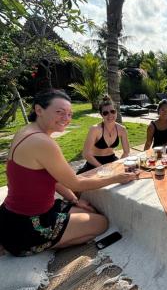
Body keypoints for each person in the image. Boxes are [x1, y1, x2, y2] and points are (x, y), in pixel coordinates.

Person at [0, 89, 138, 257]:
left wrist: (74, 199)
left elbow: (53, 178)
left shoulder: (26, 132)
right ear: (39, 110)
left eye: (69, 114)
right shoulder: (42, 142)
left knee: (90, 212)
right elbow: (75, 183)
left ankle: (45, 238)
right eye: (60, 112)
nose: (66, 118)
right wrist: (116, 178)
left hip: (12, 215)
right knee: (101, 223)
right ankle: (39, 244)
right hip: (28, 223)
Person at [77, 95, 130, 174]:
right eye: (105, 113)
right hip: (94, 162)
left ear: (116, 111)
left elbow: (126, 151)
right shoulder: (95, 129)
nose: (110, 115)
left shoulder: (122, 129)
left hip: (112, 161)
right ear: (101, 114)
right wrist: (102, 168)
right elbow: (86, 154)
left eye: (112, 111)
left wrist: (117, 165)